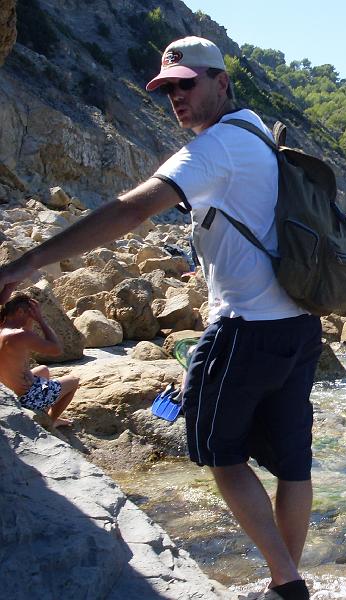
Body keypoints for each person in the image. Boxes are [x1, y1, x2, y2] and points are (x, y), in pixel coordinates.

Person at [0, 36, 320, 600]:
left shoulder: (216, 146)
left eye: (186, 84)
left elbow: (130, 208)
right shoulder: (255, 132)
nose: (175, 96)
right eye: (166, 88)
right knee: (294, 464)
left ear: (221, 81)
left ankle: (287, 582)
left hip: (245, 327)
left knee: (221, 457)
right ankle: (286, 582)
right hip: (297, 325)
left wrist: (28, 261)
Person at [0, 294, 80, 427]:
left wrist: (29, 320)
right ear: (20, 311)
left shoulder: (4, 331)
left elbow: (26, 336)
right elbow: (57, 349)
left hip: (9, 391)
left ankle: (46, 403)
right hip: (28, 397)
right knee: (73, 381)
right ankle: (50, 421)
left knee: (43, 370)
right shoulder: (19, 335)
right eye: (30, 313)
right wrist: (41, 320)